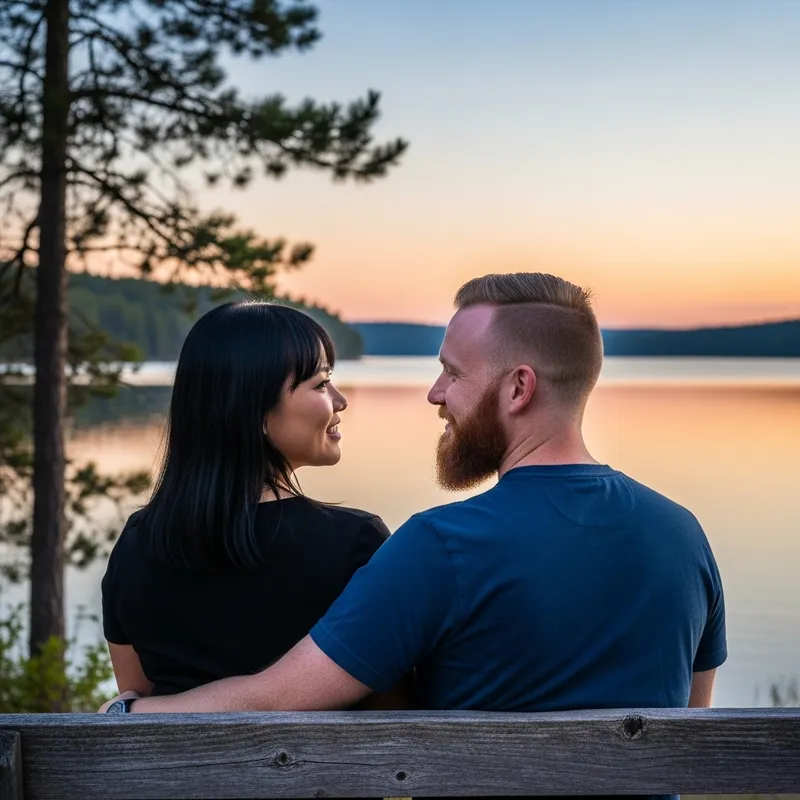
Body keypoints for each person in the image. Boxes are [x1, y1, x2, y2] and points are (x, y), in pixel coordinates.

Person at [101, 272, 726, 716]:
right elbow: (691, 726)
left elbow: (284, 694)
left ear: (518, 389)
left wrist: (140, 715)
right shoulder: (684, 536)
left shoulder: (439, 546)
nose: (433, 393)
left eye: (452, 373)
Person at [101, 301, 400, 704]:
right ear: (256, 413)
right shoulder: (354, 544)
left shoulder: (138, 544)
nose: (340, 400)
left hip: (177, 769)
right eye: (321, 383)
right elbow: (396, 703)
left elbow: (137, 699)